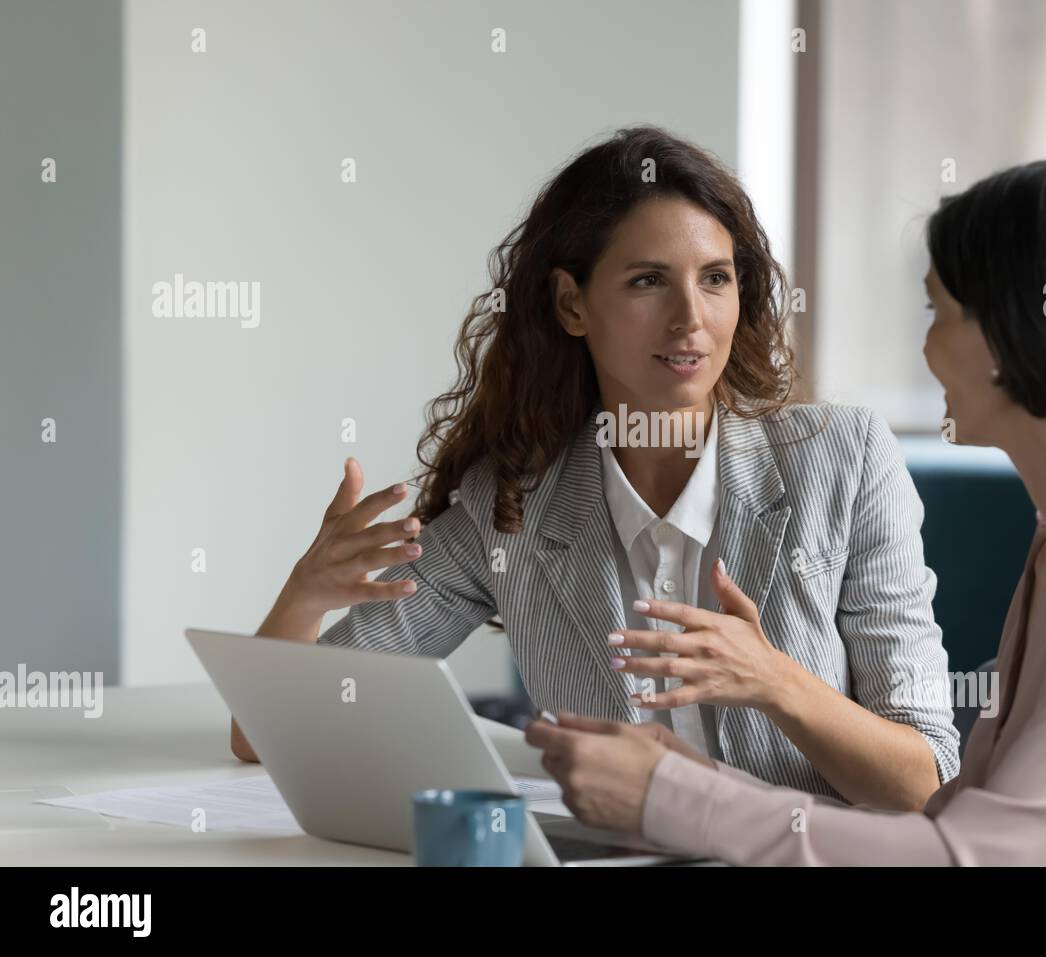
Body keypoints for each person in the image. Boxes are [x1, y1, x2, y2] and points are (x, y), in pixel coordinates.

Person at [527, 158, 1046, 865]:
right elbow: (944, 823)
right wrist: (693, 779)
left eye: (939, 311)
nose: (925, 348)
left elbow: (974, 857)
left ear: (1010, 334)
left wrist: (677, 797)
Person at [231, 125, 960, 810]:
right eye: (648, 281)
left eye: (715, 278)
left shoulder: (844, 459)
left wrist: (777, 684)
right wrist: (305, 595)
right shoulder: (510, 506)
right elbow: (265, 734)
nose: (690, 318)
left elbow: (928, 780)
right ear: (571, 303)